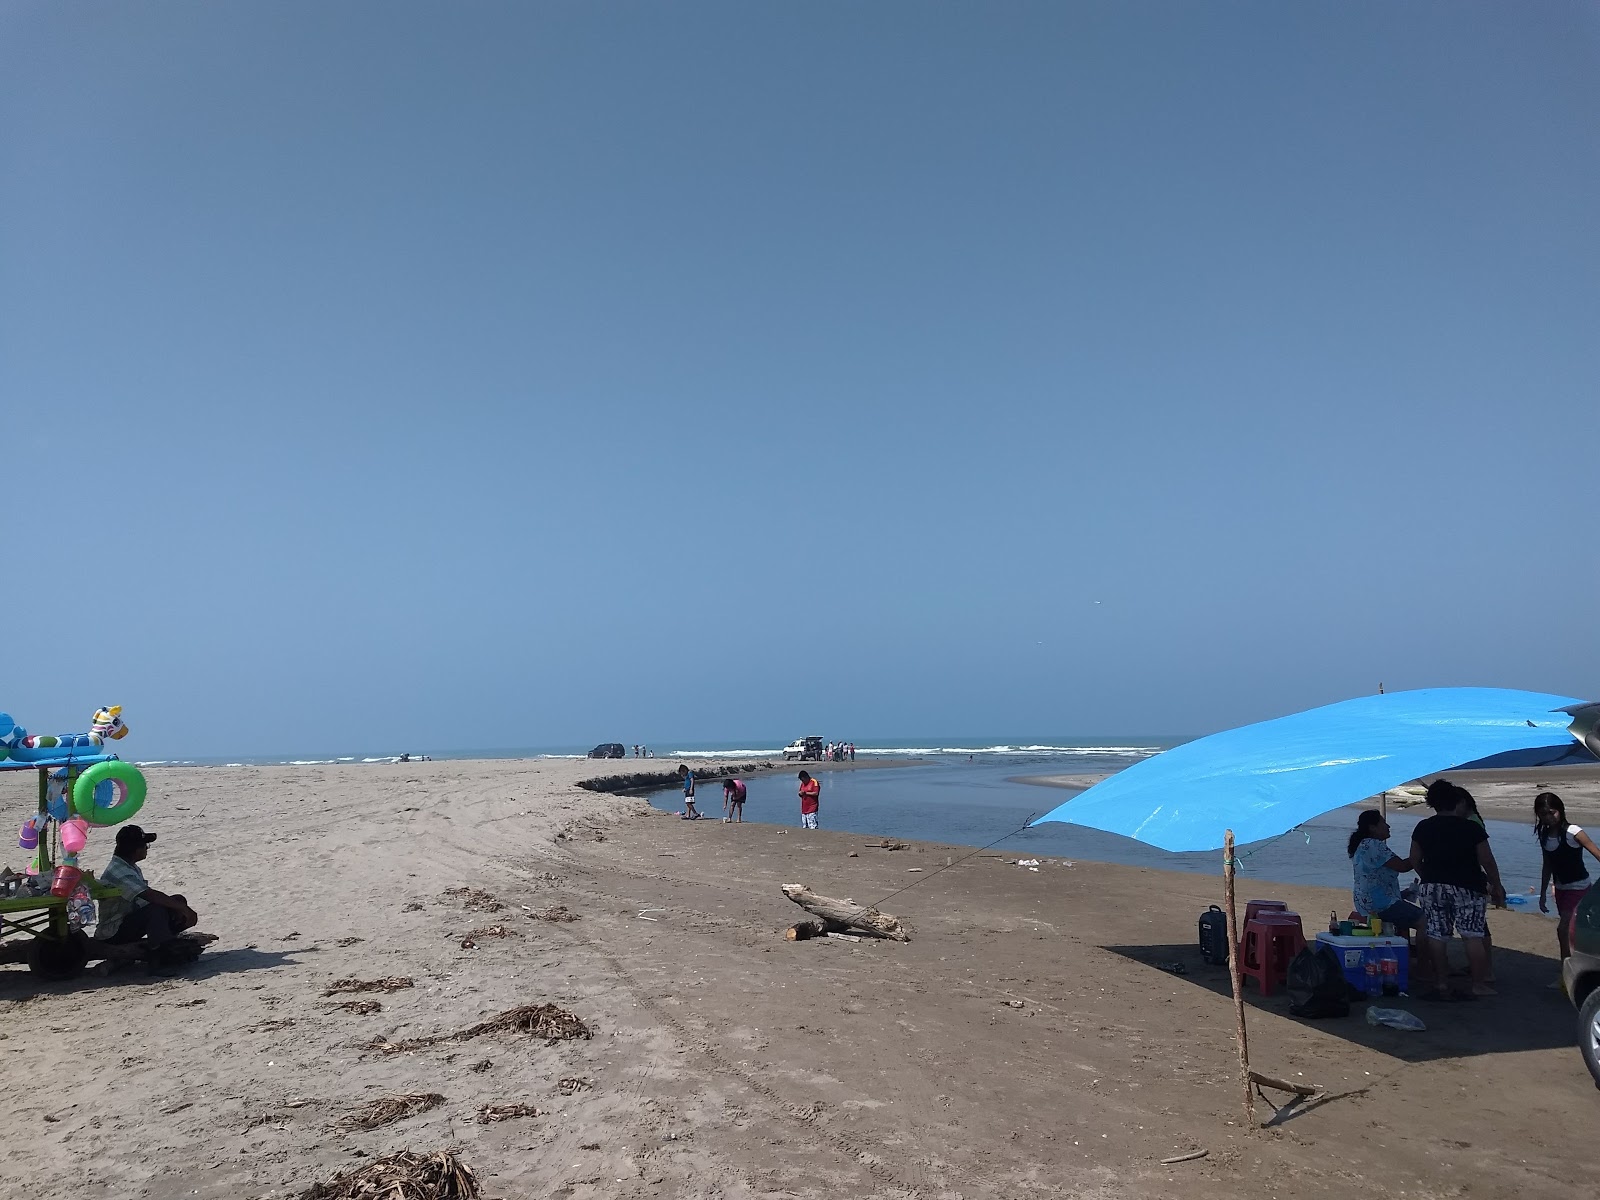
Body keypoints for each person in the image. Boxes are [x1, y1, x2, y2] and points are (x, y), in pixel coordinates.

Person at [1410, 780, 1506, 999]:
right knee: (1472, 935)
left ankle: (1442, 983)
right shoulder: (1471, 828)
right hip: (1468, 885)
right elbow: (1487, 861)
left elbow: (1415, 858)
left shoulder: (1423, 826)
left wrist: (1427, 875)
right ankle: (1478, 984)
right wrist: (1496, 885)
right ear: (1456, 801)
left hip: (1433, 885)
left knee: (1437, 934)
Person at [96, 825, 198, 951]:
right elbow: (149, 895)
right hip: (112, 931)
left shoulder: (129, 866)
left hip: (128, 919)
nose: (147, 849)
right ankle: (161, 949)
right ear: (136, 850)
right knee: (156, 909)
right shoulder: (120, 871)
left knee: (176, 901)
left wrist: (178, 905)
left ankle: (166, 939)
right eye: (145, 846)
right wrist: (183, 908)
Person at [1535, 791, 1600, 962]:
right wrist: (1542, 894)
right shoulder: (1544, 836)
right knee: (1573, 930)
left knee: (1563, 929)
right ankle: (1573, 964)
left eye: (1552, 812)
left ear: (1560, 810)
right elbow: (1547, 866)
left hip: (1579, 887)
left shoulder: (1574, 832)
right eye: (1543, 814)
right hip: (1561, 888)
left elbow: (1597, 853)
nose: (1549, 817)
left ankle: (1566, 968)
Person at [1347, 809, 1421, 933]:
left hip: (1367, 903)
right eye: (1383, 823)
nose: (1388, 826)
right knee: (1424, 921)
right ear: (1373, 828)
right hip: (1380, 905)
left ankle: (1406, 951)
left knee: (1404, 922)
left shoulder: (1363, 845)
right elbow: (1402, 866)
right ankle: (1423, 952)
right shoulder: (1373, 845)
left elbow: (1373, 879)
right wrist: (1419, 854)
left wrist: (1403, 893)